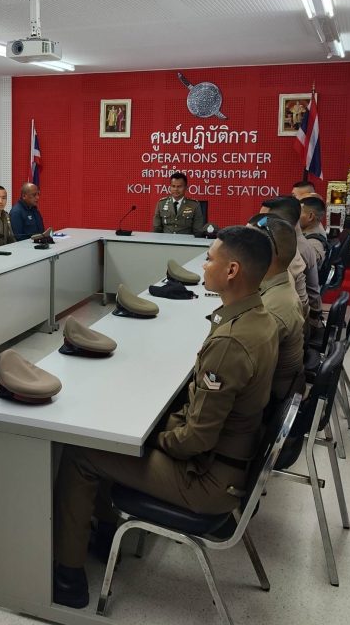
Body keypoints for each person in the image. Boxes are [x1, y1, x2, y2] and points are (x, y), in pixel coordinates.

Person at [52, 226, 277, 609]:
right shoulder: (260, 319)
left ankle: (68, 579)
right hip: (228, 462)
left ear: (232, 271)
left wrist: (150, 436)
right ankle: (105, 536)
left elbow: (196, 440)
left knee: (83, 452)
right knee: (125, 431)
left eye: (210, 259)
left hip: (207, 480)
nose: (204, 265)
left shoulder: (231, 341)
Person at [249, 214, 304, 405]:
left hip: (270, 402)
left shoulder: (270, 310)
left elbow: (236, 370)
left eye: (245, 245)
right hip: (276, 389)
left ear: (266, 255)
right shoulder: (280, 280)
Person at [260, 196, 320, 318]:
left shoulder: (291, 251)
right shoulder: (296, 242)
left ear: (281, 222)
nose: (259, 224)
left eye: (263, 220)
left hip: (302, 319)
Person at [299, 195, 330, 264]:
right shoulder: (315, 231)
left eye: (298, 213)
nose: (295, 216)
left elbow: (311, 264)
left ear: (310, 216)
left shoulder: (314, 242)